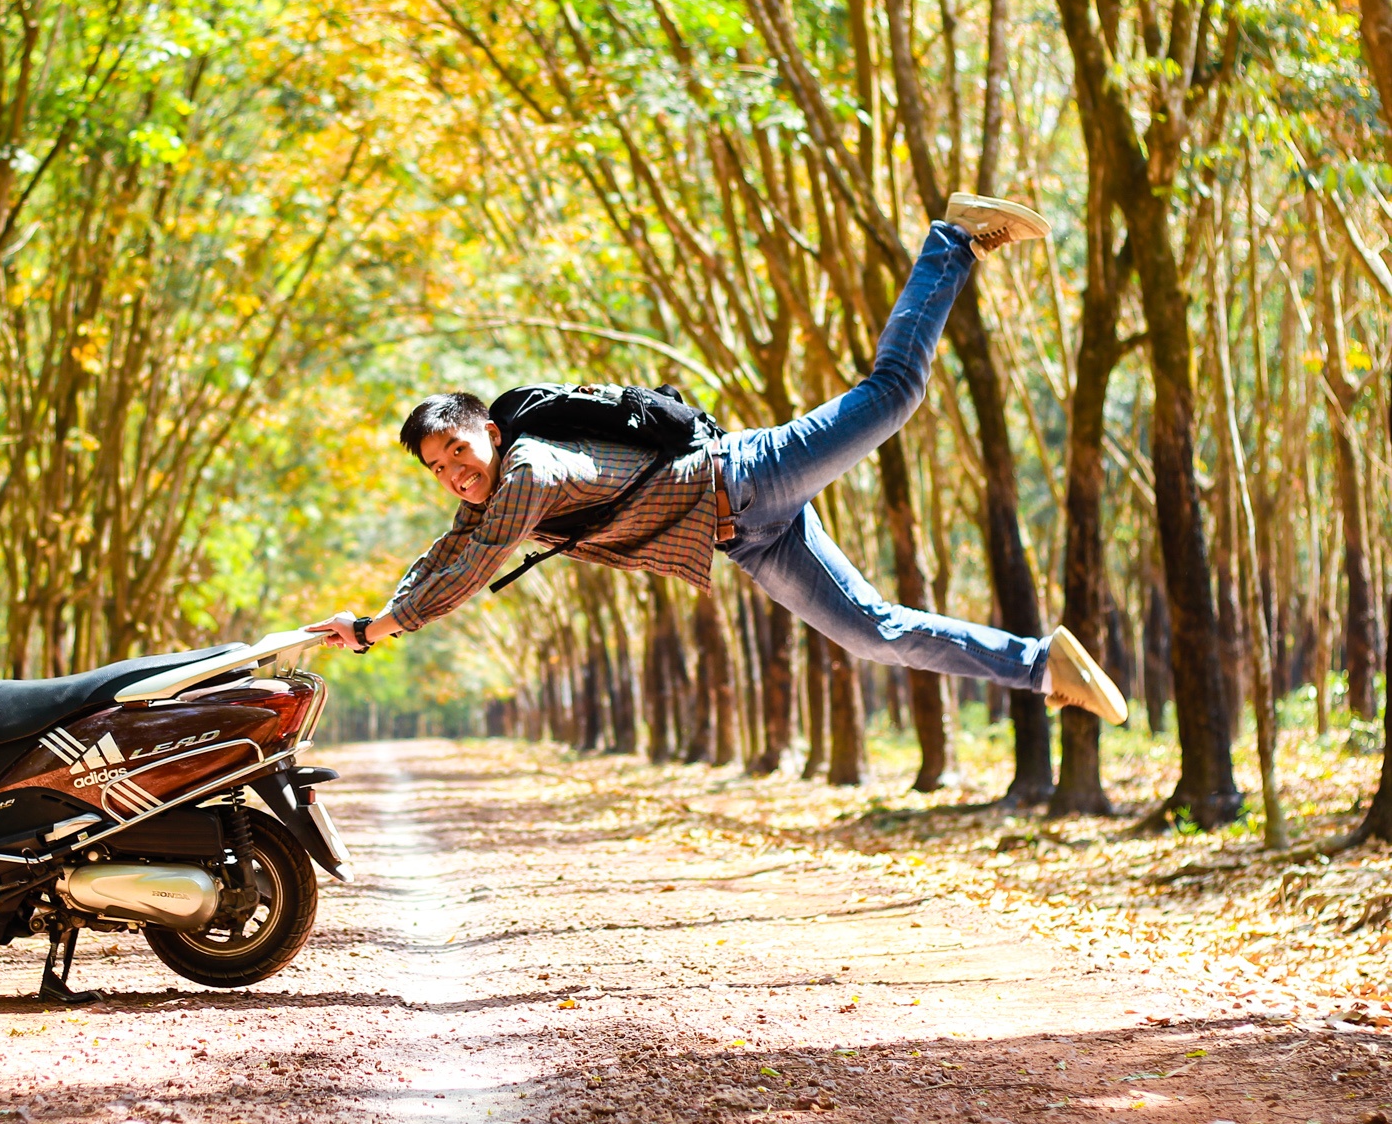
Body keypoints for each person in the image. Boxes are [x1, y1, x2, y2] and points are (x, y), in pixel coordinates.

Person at [305, 193, 1129, 727]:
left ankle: (952, 240)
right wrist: (371, 616)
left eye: (457, 450)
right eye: (439, 470)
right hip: (746, 536)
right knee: (876, 634)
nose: (454, 474)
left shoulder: (528, 471)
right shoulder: (489, 496)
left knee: (893, 393)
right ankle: (1040, 665)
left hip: (749, 472)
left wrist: (383, 626)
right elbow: (451, 549)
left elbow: (473, 563)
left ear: (486, 430)